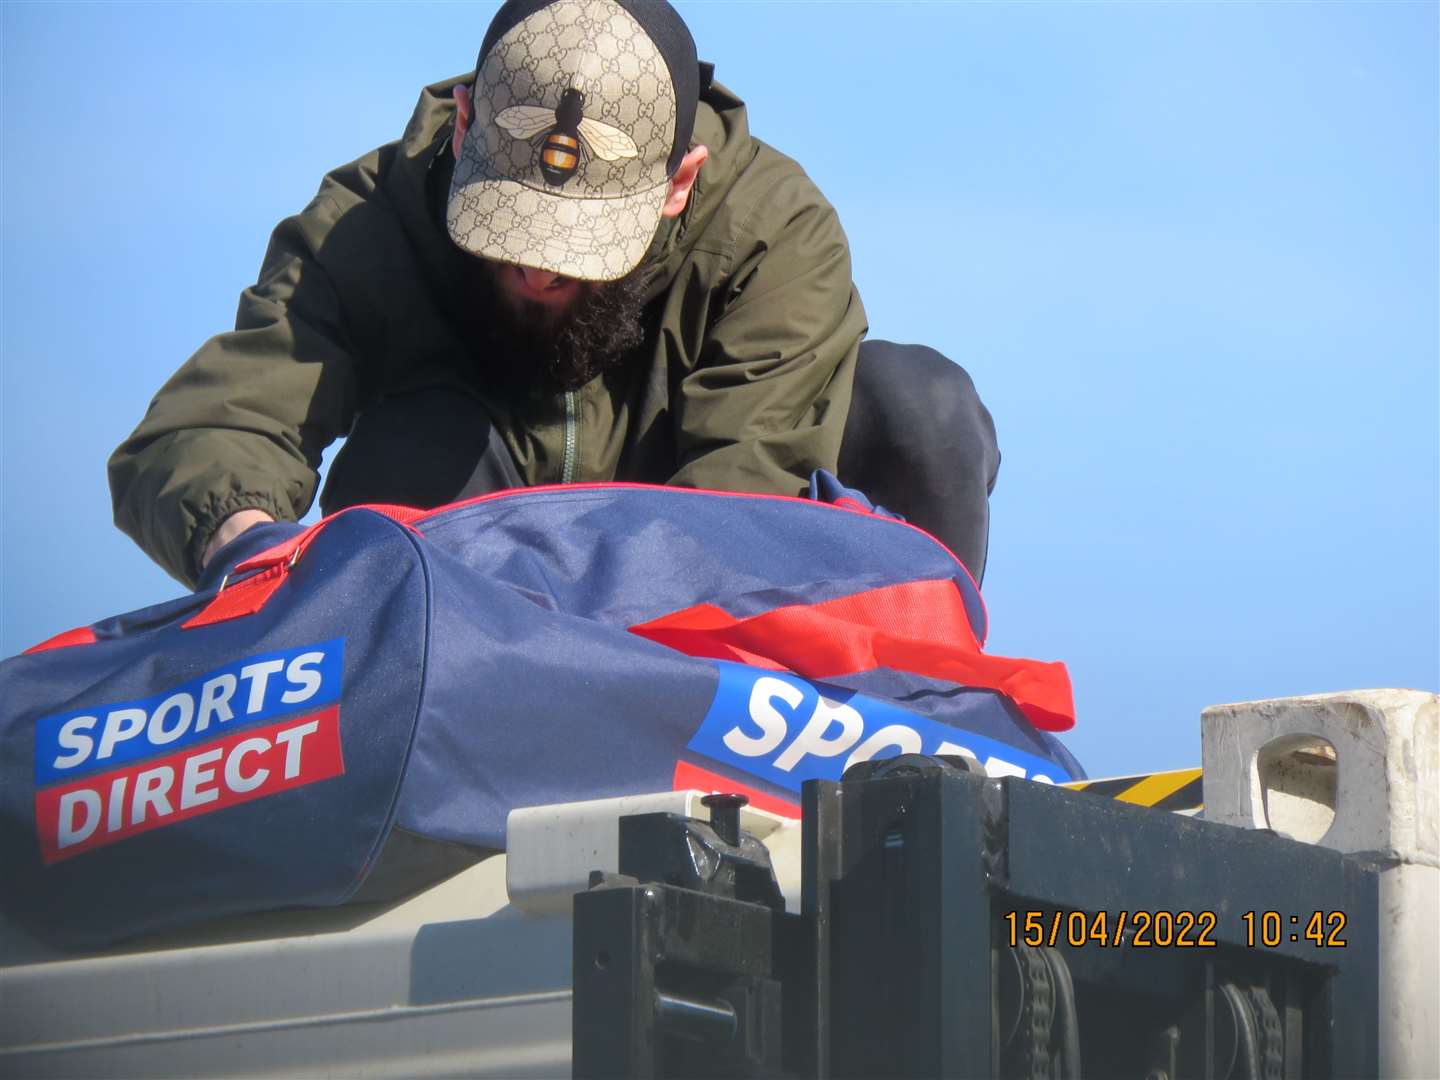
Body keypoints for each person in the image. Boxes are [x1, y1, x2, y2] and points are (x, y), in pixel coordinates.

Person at [109, 0, 1000, 590]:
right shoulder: (369, 222)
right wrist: (247, 544)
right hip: (456, 596)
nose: (540, 273)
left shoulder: (776, 234)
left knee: (922, 404)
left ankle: (924, 727)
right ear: (463, 132)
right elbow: (205, 430)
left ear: (679, 183)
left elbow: (739, 514)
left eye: (580, 247)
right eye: (515, 232)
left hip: (698, 591)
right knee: (421, 445)